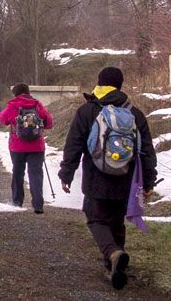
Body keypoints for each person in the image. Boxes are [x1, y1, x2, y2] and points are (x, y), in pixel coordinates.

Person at [58, 67, 157, 290]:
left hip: (96, 178)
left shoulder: (88, 111)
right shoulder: (135, 114)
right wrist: (148, 181)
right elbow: (147, 151)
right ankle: (113, 266)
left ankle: (113, 254)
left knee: (96, 219)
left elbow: (73, 145)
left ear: (99, 83)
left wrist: (67, 173)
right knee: (116, 220)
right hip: (126, 179)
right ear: (120, 86)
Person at [0, 83, 54, 213]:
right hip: (37, 146)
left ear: (15, 93)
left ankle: (17, 201)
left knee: (18, 172)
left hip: (17, 146)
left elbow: (3, 119)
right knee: (36, 174)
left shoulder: (13, 105)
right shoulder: (37, 104)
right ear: (28, 92)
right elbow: (49, 122)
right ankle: (38, 204)